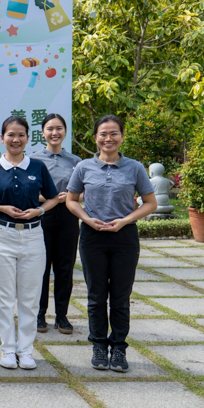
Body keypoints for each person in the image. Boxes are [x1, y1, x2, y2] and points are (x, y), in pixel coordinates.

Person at [66, 115, 156, 373]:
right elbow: (71, 200)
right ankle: (98, 345)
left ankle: (118, 347)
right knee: (95, 296)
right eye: (103, 134)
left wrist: (124, 221)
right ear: (95, 138)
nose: (108, 138)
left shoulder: (135, 168)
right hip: (92, 236)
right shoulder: (83, 167)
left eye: (114, 133)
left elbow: (151, 203)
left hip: (124, 237)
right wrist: (87, 219)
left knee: (120, 296)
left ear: (121, 136)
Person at [0, 116, 59, 370]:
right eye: (10, 135)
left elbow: (53, 198)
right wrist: (2, 208)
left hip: (33, 236)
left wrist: (38, 211)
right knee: (4, 297)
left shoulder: (37, 167)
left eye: (21, 135)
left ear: (27, 139)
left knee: (30, 297)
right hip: (1, 235)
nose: (15, 139)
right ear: (2, 138)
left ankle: (26, 350)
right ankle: (8, 349)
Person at [30, 113, 81, 335]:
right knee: (40, 267)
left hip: (69, 216)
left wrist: (68, 198)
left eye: (59, 128)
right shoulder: (33, 160)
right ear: (42, 132)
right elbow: (28, 191)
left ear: (65, 131)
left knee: (64, 268)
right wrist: (50, 199)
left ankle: (62, 316)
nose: (54, 133)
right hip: (42, 216)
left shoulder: (76, 162)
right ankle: (39, 314)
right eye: (50, 128)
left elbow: (83, 191)